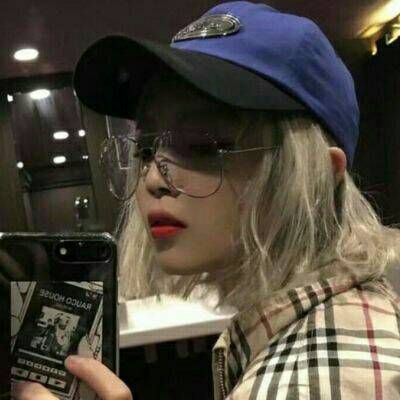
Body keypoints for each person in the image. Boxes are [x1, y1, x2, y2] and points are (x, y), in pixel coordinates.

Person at [15, 1, 400, 399]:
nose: (152, 180)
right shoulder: (351, 316)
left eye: (202, 146)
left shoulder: (304, 383)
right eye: (145, 150)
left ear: (318, 176)